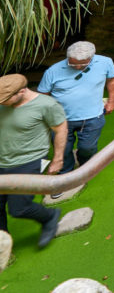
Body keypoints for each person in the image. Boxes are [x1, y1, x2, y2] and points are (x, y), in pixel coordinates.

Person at [38, 41, 114, 194]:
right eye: (73, 64)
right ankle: (65, 175)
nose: (77, 67)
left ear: (92, 58)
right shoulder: (53, 71)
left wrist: (112, 101)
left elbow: (112, 79)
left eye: (82, 64)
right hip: (61, 121)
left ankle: (85, 168)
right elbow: (43, 95)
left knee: (88, 148)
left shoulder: (105, 62)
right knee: (63, 150)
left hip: (93, 116)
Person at [0, 74, 66, 247]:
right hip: (1, 160)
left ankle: (50, 216)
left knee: (19, 208)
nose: (2, 103)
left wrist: (58, 160)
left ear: (21, 91)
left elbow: (60, 129)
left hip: (27, 161)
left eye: (5, 100)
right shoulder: (3, 102)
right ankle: (3, 244)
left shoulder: (46, 105)